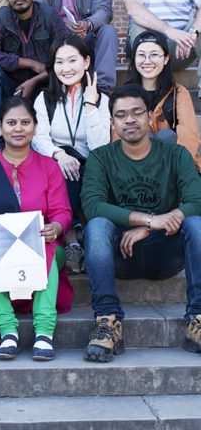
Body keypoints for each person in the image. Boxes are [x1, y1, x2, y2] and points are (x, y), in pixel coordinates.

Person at [81, 84, 201, 363]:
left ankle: (197, 318)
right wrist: (147, 218)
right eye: (121, 115)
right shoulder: (101, 158)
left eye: (137, 112)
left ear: (150, 117)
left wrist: (150, 226)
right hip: (122, 255)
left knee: (195, 223)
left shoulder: (176, 155)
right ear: (112, 122)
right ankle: (107, 322)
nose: (130, 120)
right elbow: (92, 205)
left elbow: (196, 199)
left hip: (166, 252)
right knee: (97, 226)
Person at [0, 96, 73, 362]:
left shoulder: (49, 167)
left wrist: (56, 227)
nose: (18, 128)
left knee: (48, 250)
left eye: (25, 122)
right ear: (0, 127)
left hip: (42, 242)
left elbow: (62, 211)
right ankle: (8, 331)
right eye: (11, 123)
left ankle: (44, 332)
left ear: (35, 127)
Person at [32, 35, 111, 274]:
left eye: (72, 60)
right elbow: (38, 138)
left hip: (91, 164)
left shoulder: (102, 99)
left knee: (89, 169)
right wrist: (58, 154)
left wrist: (90, 106)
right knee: (65, 170)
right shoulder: (45, 98)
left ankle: (83, 237)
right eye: (59, 62)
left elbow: (100, 146)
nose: (66, 68)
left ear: (86, 62)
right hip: (58, 164)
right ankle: (73, 241)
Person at [127, 30, 201, 170]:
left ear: (166, 59)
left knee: (166, 136)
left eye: (154, 55)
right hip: (136, 172)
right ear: (134, 59)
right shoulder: (125, 95)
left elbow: (189, 135)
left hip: (173, 168)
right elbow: (117, 135)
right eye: (141, 55)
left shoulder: (178, 93)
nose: (147, 61)